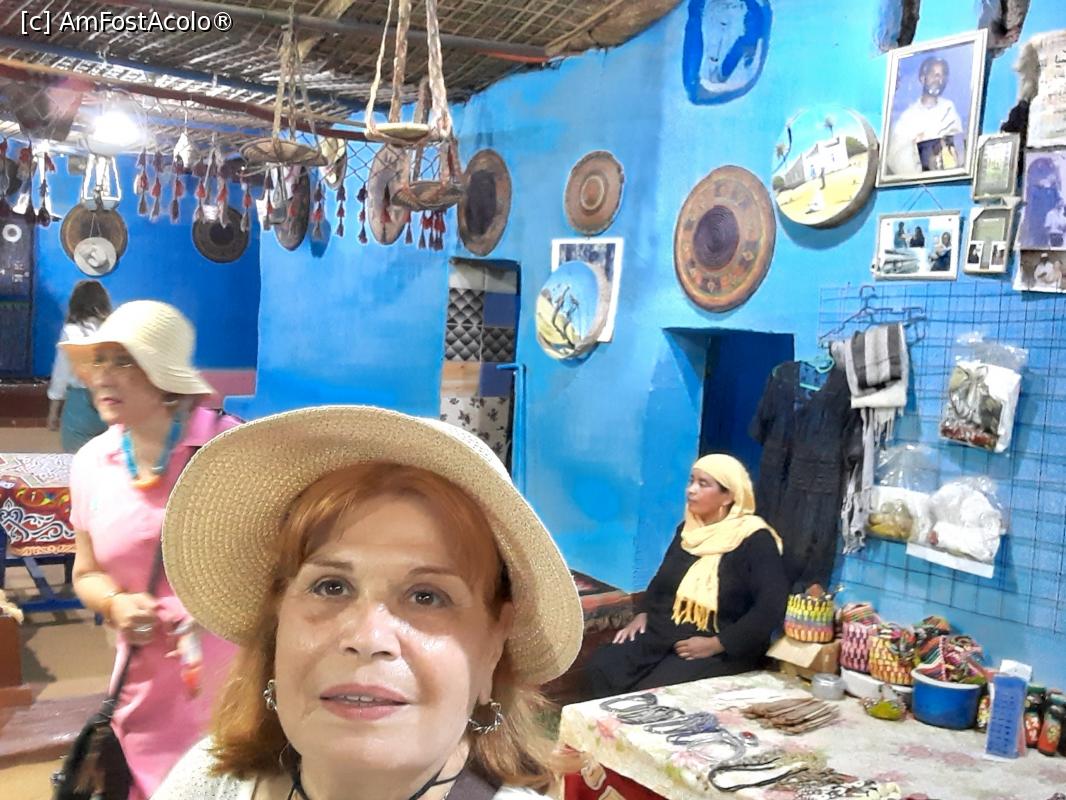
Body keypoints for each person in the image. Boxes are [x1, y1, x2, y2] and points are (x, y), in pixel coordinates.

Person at [152, 406, 584, 800]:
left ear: (493, 645)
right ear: (277, 620)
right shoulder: (208, 783)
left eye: (427, 596)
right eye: (331, 587)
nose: (367, 638)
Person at [65, 300, 241, 800]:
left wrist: (215, 606)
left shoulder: (228, 451)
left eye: (124, 361)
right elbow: (86, 572)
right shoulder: (91, 462)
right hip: (138, 693)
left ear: (165, 377)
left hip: (226, 692)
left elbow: (278, 566)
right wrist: (115, 603)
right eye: (99, 360)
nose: (103, 375)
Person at [582, 454, 788, 700]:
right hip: (666, 631)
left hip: (719, 644)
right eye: (691, 481)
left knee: (652, 694)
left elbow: (770, 606)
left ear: (728, 496)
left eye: (703, 484)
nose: (691, 490)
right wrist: (642, 613)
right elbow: (662, 580)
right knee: (604, 665)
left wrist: (718, 643)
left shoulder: (755, 539)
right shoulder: (689, 530)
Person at [47, 279, 112, 452]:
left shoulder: (71, 331)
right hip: (112, 398)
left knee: (76, 458)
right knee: (109, 459)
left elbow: (61, 374)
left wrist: (54, 411)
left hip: (80, 402)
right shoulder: (114, 329)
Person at [886, 56, 965, 176]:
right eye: (933, 74)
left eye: (941, 75)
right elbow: (894, 158)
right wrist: (915, 147)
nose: (938, 78)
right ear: (923, 78)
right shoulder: (908, 117)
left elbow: (958, 149)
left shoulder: (949, 110)